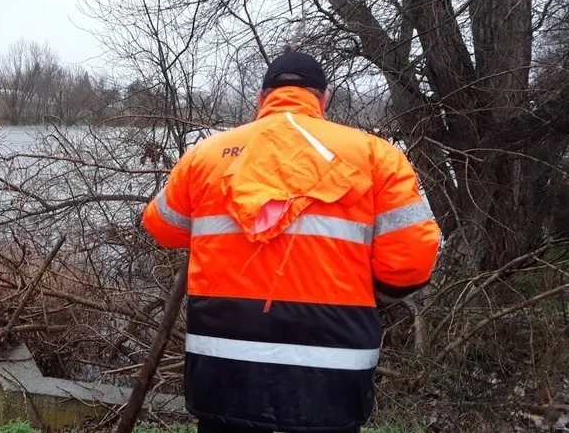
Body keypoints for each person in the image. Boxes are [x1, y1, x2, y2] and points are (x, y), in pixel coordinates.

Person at [141, 50, 440, 433]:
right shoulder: (376, 156)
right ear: (324, 99)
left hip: (224, 371)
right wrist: (372, 296)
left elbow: (162, 227)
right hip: (331, 376)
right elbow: (412, 259)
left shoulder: (206, 156)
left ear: (261, 98)